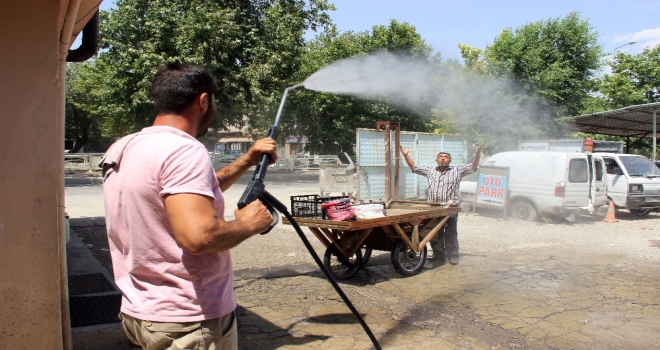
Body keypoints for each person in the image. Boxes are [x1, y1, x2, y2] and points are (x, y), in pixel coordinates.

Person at [102, 62, 277, 349]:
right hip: (188, 320)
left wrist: (247, 160)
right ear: (203, 100)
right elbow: (199, 237)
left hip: (141, 312)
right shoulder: (185, 150)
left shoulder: (125, 146)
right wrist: (250, 223)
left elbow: (185, 196)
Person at [399, 144, 482, 266]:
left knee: (451, 232)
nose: (443, 158)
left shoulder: (457, 170)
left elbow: (473, 167)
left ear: (450, 160)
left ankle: (453, 256)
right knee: (434, 233)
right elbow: (414, 167)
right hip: (434, 208)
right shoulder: (430, 171)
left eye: (446, 157)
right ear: (436, 160)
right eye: (441, 157)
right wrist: (406, 155)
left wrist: (477, 154)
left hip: (450, 208)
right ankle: (439, 256)